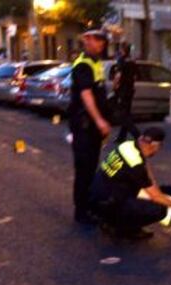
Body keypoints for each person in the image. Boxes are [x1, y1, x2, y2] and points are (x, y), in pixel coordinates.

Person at [89, 127, 171, 239]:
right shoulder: (136, 165)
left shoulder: (127, 145)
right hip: (107, 203)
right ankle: (124, 229)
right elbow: (155, 196)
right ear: (156, 146)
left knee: (135, 187)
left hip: (96, 196)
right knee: (160, 209)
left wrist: (153, 183)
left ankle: (109, 220)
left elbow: (144, 165)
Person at [68, 29, 111, 225]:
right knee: (84, 169)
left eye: (102, 41)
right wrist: (99, 120)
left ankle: (89, 207)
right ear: (87, 40)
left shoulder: (96, 63)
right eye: (97, 40)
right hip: (84, 126)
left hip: (91, 127)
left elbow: (99, 92)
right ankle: (81, 212)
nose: (101, 44)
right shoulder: (83, 64)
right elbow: (86, 96)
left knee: (91, 167)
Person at [113, 42, 137, 143]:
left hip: (122, 90)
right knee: (126, 113)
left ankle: (137, 134)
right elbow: (135, 76)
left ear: (122, 50)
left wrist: (115, 86)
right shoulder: (132, 61)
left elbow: (118, 75)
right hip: (130, 89)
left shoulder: (121, 60)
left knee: (122, 115)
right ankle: (121, 137)